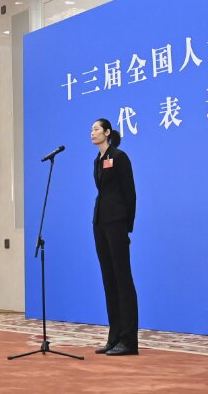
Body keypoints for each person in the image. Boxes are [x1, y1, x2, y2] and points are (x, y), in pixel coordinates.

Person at [91, 118, 138, 356]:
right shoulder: (98, 160)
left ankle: (128, 340)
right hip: (100, 223)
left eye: (96, 129)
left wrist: (127, 226)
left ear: (107, 132)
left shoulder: (120, 157)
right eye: (92, 129)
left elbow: (130, 193)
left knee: (122, 280)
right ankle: (114, 337)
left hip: (117, 223)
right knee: (108, 280)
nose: (92, 132)